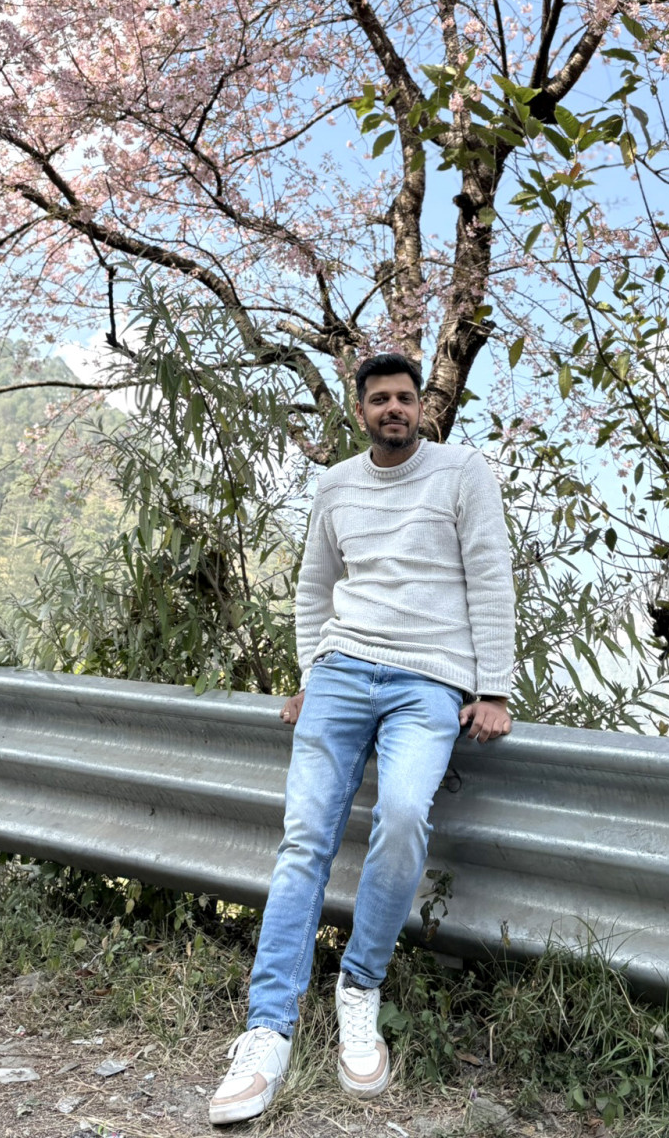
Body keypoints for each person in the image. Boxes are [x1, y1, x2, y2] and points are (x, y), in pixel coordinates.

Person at [209, 352, 515, 1125]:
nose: (393, 410)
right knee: (305, 841)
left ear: (423, 408)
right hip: (341, 673)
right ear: (361, 410)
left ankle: (360, 986)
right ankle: (266, 1031)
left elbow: (490, 574)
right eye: (379, 399)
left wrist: (495, 689)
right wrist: (312, 672)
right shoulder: (336, 483)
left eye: (405, 398)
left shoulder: (462, 474)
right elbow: (315, 585)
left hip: (429, 681)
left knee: (405, 816)